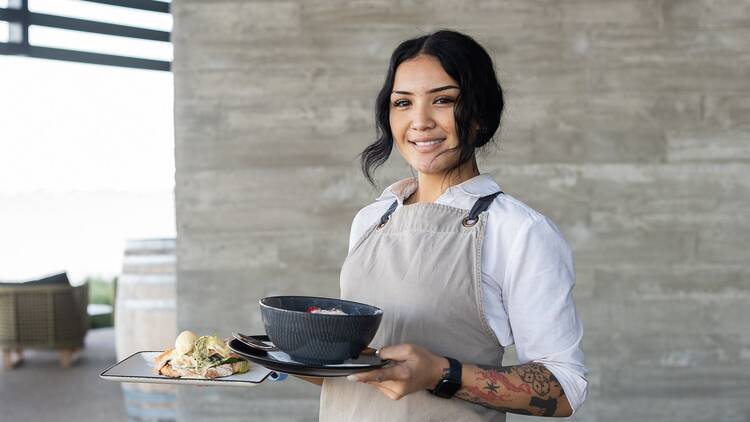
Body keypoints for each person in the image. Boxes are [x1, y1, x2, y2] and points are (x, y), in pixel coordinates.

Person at [303, 29, 588, 421]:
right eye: (403, 102)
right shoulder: (373, 219)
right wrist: (283, 355)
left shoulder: (518, 230)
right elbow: (364, 374)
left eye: (443, 100)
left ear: (479, 113)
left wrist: (441, 374)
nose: (419, 121)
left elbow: (564, 388)